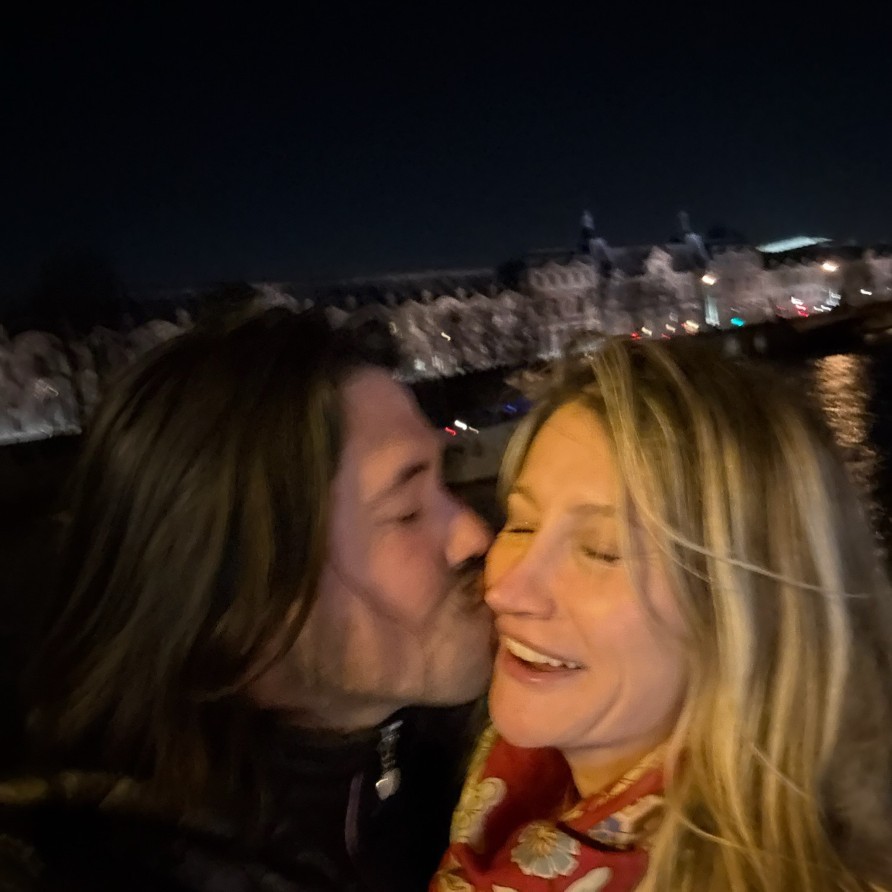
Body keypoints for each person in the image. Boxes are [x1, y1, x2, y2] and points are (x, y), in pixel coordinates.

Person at [0, 306, 494, 891]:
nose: (475, 535)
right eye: (407, 512)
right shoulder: (103, 866)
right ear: (240, 598)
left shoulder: (476, 776)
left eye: (447, 478)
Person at [434, 336, 892, 892]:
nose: (506, 590)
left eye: (602, 550)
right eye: (521, 524)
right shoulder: (506, 799)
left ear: (741, 619)